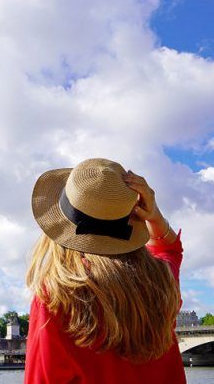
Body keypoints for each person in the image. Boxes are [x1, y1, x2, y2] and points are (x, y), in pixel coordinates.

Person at [25, 158, 185, 383]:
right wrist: (155, 217)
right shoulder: (161, 283)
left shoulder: (56, 297)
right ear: (133, 217)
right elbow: (169, 251)